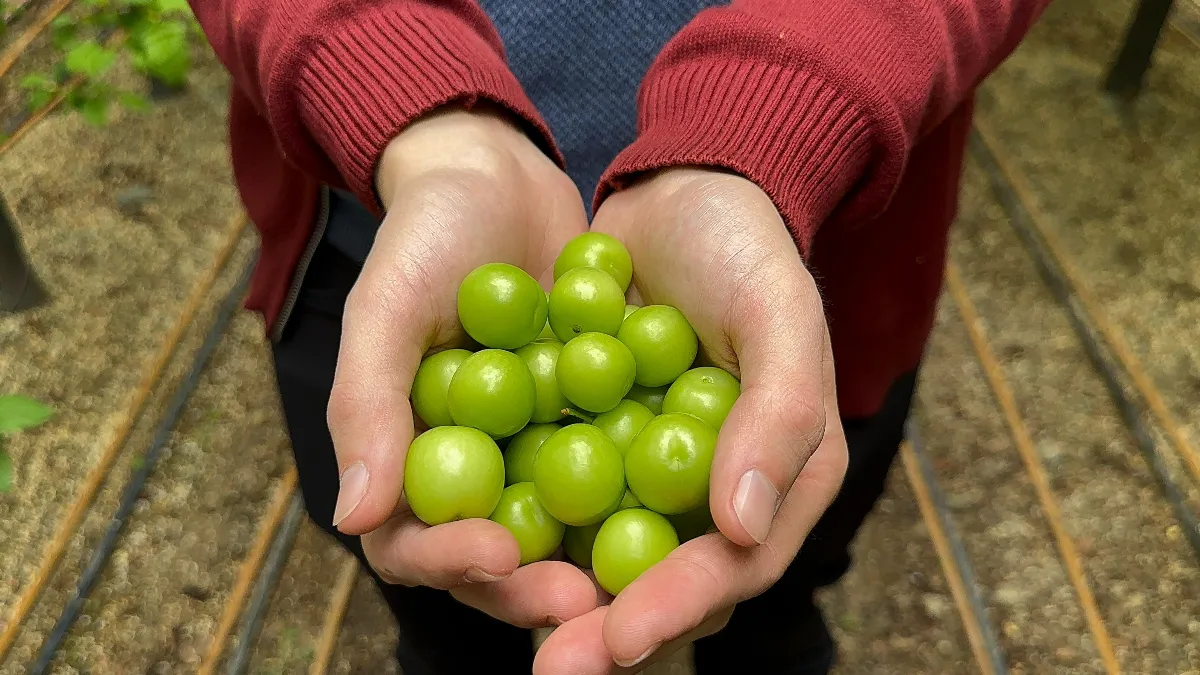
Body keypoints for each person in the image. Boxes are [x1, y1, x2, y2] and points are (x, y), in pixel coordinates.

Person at [191, 1, 1052, 672]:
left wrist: (778, 114)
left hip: (807, 269)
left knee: (778, 583)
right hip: (386, 224)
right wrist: (397, 84)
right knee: (442, 611)